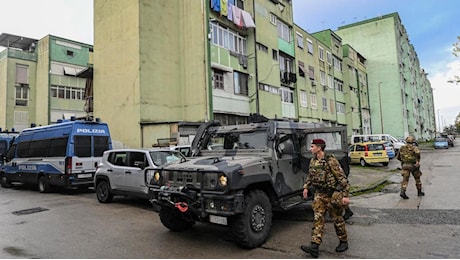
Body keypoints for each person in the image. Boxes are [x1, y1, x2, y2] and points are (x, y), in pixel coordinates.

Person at [300, 139, 350, 258]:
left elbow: (342, 178)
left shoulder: (330, 161)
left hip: (332, 195)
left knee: (337, 220)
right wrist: (306, 187)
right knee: (318, 219)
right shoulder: (313, 161)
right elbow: (310, 176)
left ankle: (343, 241)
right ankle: (314, 247)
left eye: (312, 146)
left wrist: (345, 195)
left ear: (319, 148)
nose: (310, 149)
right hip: (319, 195)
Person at [396, 135, 425, 199]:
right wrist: (417, 161)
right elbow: (418, 155)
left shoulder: (402, 148)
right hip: (413, 165)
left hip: (405, 165)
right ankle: (419, 192)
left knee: (405, 180)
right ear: (413, 141)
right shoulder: (415, 148)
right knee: (417, 179)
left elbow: (398, 157)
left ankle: (403, 191)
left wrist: (403, 161)